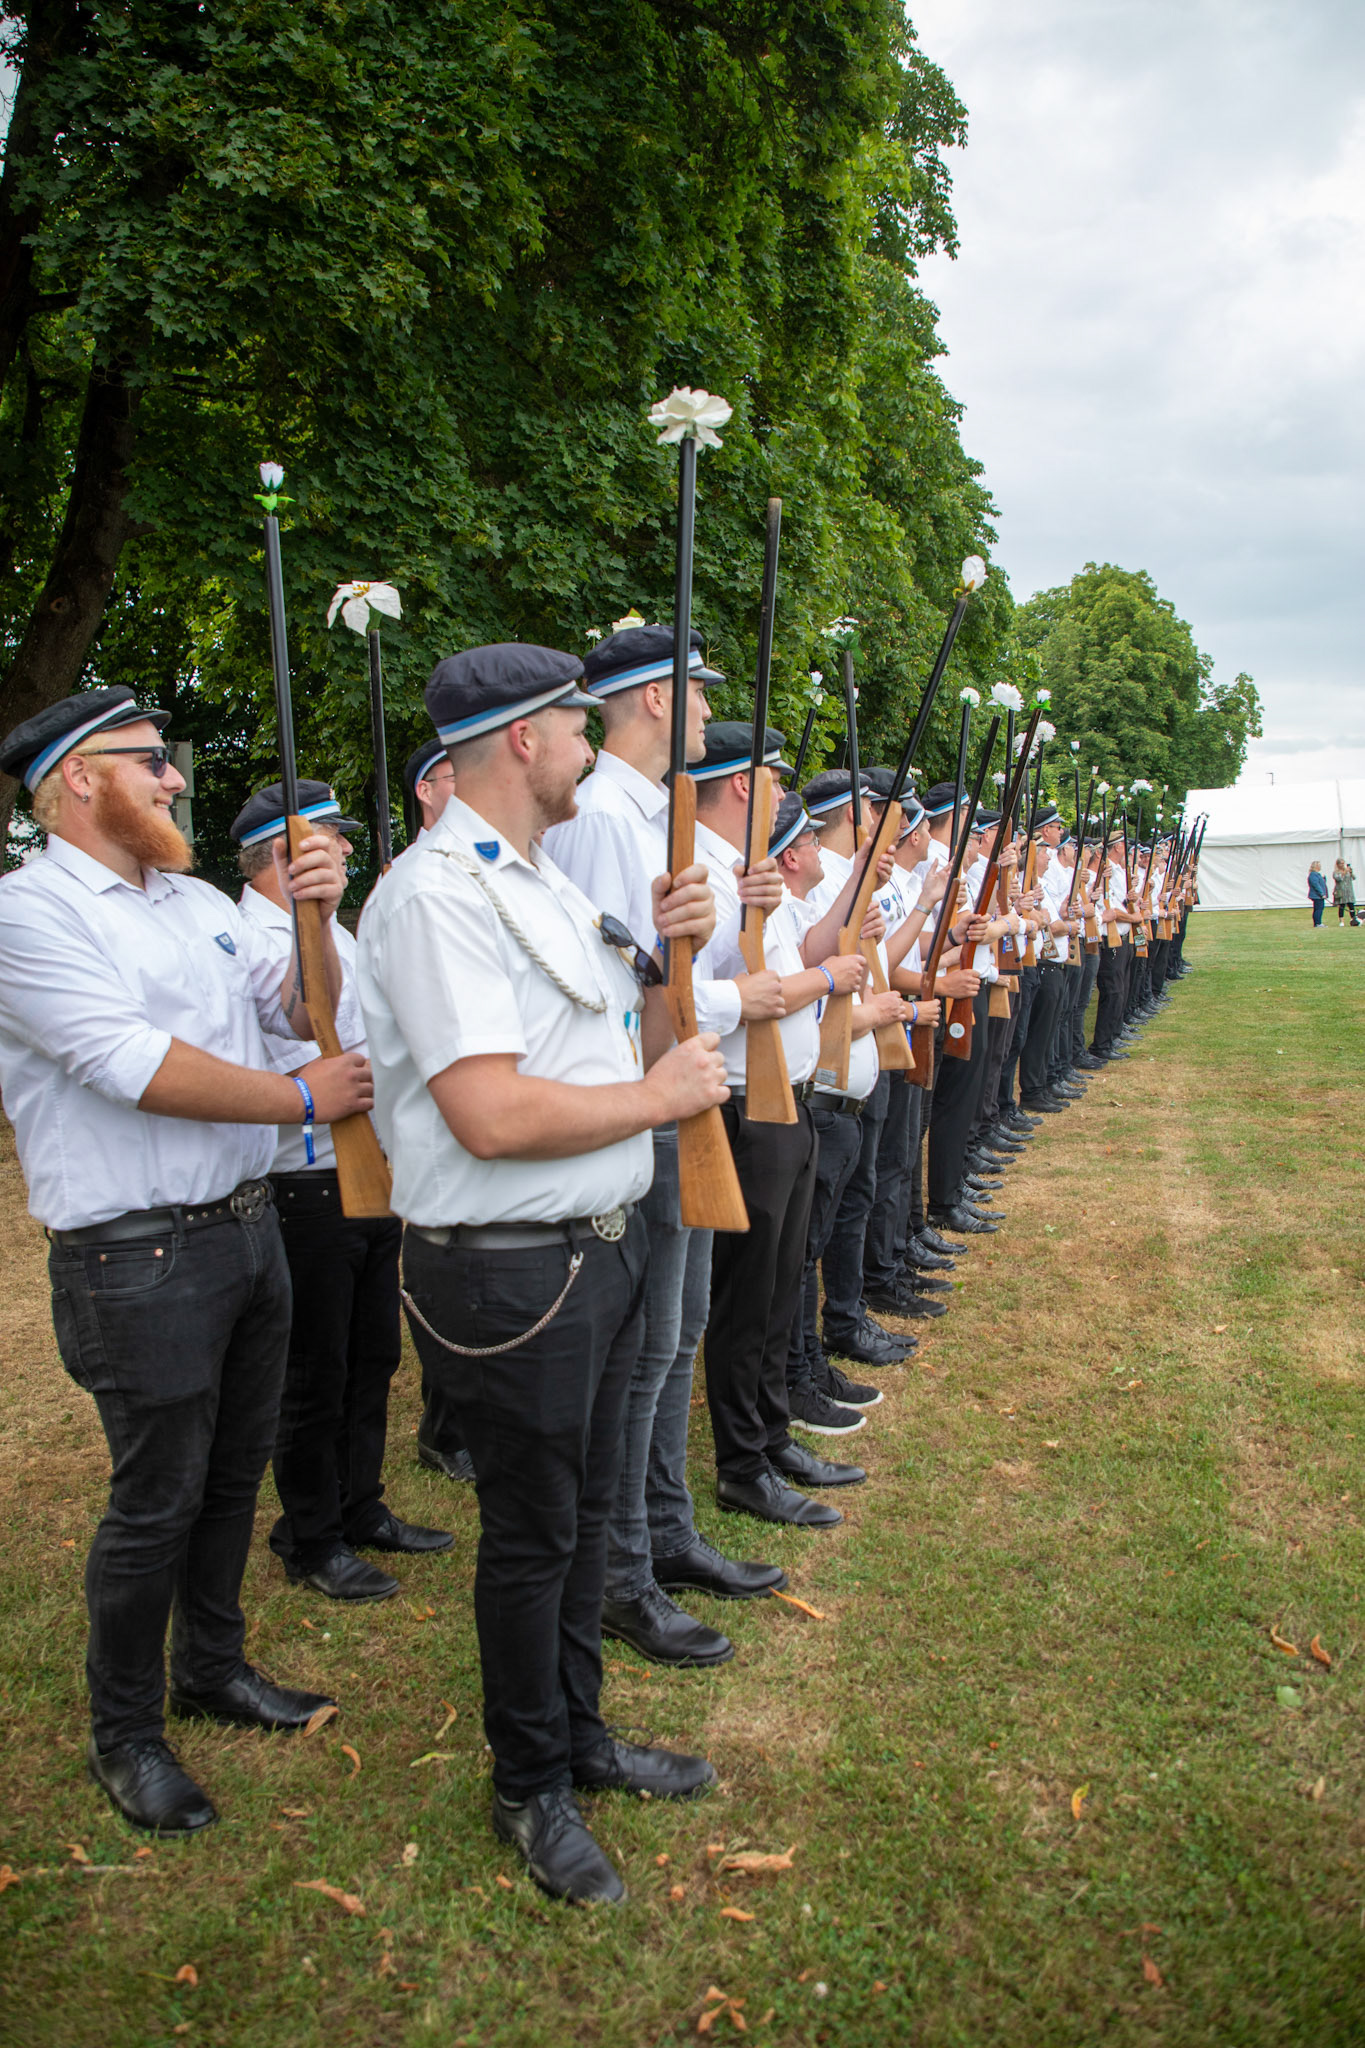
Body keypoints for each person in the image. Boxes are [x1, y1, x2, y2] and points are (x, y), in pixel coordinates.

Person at [357, 643, 729, 1906]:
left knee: (579, 1519)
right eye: (576, 723)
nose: (589, 742)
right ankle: (530, 1784)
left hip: (597, 1249)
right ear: (524, 738)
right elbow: (490, 1113)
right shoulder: (435, 895)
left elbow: (636, 1045)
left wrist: (677, 961)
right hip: (511, 1273)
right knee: (531, 1535)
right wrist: (657, 1099)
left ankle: (580, 1737)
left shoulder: (546, 884)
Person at [0, 687, 374, 1837]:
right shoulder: (29, 909)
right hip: (137, 1253)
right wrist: (299, 1099)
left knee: (231, 1474)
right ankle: (126, 1732)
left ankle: (211, 1665)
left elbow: (303, 1012)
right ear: (79, 777)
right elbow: (127, 1059)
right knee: (155, 1497)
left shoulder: (200, 900)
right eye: (151, 759)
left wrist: (315, 919)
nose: (174, 778)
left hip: (246, 1225)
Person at [543, 623, 789, 1671]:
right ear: (653, 697)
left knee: (676, 1336)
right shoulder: (606, 819)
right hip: (641, 1100)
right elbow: (620, 989)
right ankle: (624, 1568)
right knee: (645, 1352)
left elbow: (690, 967)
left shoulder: (653, 812)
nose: (706, 710)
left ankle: (665, 1532)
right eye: (695, 691)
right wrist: (732, 990)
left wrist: (745, 919)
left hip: (677, 1089)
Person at [235, 781, 452, 1604]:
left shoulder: (334, 932)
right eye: (331, 836)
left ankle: (360, 1505)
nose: (349, 848)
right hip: (304, 1176)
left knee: (371, 1356)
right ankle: (309, 1534)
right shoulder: (252, 937)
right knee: (314, 1369)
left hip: (366, 1167)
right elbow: (299, 1034)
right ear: (283, 853)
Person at [690, 723, 870, 1526]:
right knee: (747, 1296)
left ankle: (768, 1437)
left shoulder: (753, 871)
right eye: (772, 778)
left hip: (788, 1102)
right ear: (742, 784)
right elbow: (716, 994)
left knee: (778, 1286)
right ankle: (742, 1462)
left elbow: (799, 952)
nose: (781, 794)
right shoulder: (703, 871)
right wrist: (823, 979)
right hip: (745, 1108)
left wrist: (851, 891)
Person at [398, 739, 471, 1481]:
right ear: (426, 791)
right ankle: (446, 1429)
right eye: (457, 775)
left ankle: (461, 1418)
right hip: (438, 1106)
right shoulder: (412, 879)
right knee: (445, 1272)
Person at [1332, 857, 1359, 927]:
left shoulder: (1347, 870)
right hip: (1341, 891)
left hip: (1349, 891)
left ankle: (1353, 920)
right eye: (1341, 863)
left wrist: (1351, 872)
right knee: (1342, 906)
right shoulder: (1336, 872)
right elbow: (1339, 878)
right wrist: (1344, 872)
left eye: (1343, 863)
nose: (1342, 865)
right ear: (1338, 864)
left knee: (1351, 906)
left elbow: (1354, 878)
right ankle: (1341, 921)